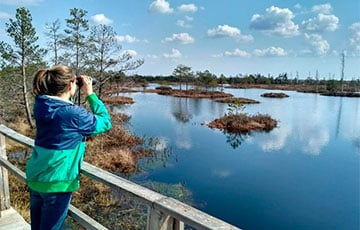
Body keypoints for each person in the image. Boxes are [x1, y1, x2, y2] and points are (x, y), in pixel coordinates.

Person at [26, 65, 112, 229]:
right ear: (69, 85)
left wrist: (71, 91)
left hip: (36, 178)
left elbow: (62, 109)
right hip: (57, 182)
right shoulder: (73, 114)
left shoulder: (42, 105)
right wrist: (90, 94)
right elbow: (105, 122)